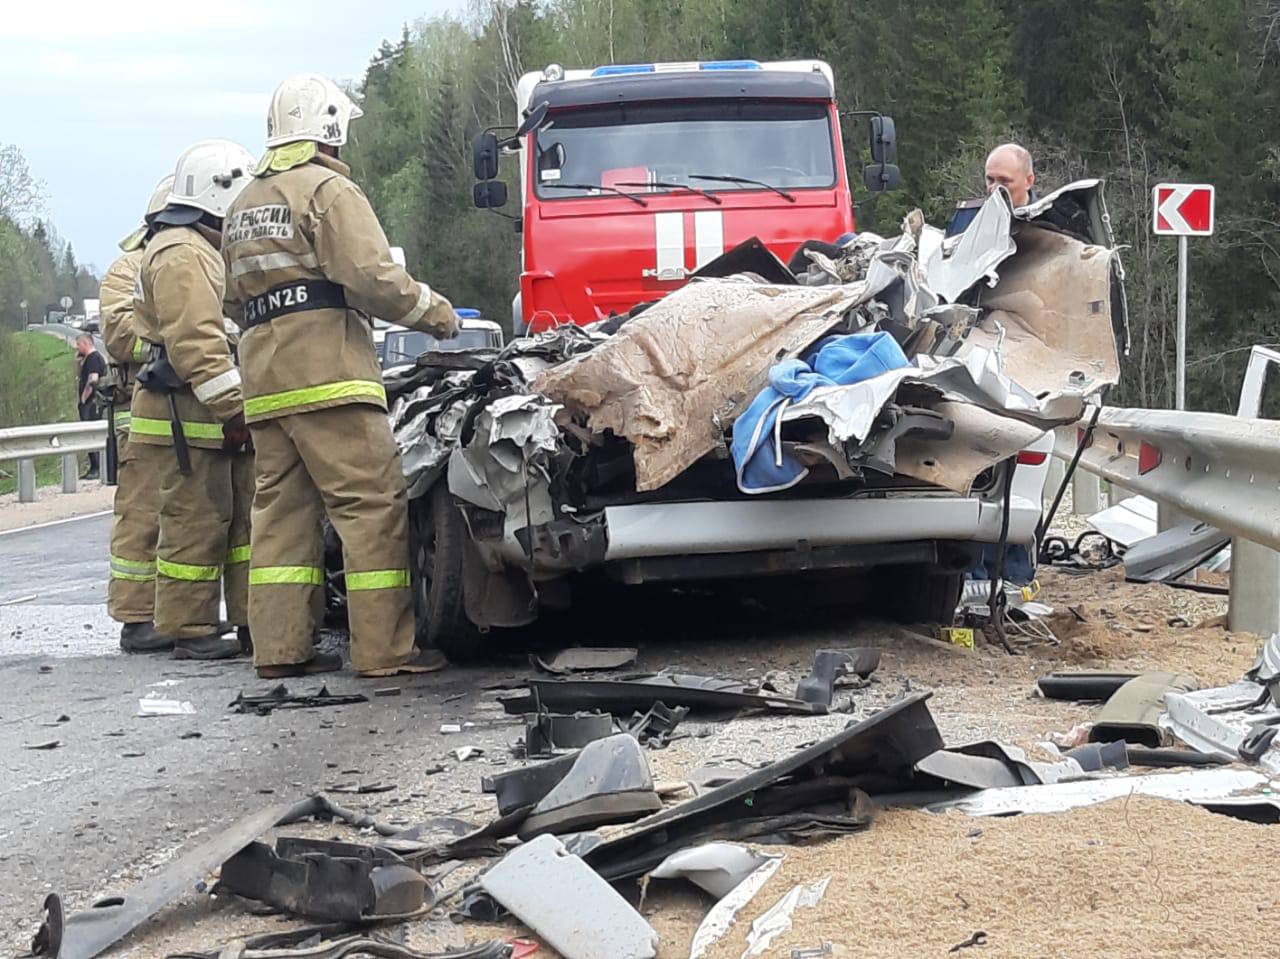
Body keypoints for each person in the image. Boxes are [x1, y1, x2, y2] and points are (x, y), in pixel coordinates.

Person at [222, 73, 459, 680]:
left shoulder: (244, 205)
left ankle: (278, 650)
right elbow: (372, 277)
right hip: (330, 378)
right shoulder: (328, 191)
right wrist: (436, 314)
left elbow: (231, 299)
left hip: (267, 385)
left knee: (279, 516)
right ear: (327, 128)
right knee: (371, 506)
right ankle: (385, 651)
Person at [129, 139, 256, 660]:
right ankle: (191, 629)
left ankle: (249, 619)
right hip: (190, 414)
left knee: (231, 520)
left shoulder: (192, 247)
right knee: (195, 521)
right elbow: (198, 346)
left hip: (196, 413)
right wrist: (238, 410)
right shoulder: (183, 254)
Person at [99, 176, 172, 652]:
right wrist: (178, 337)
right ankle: (136, 617)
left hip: (190, 410)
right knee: (142, 515)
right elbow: (122, 335)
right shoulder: (129, 269)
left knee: (193, 518)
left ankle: (184, 613)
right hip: (139, 415)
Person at [75, 335, 107, 479]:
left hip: (91, 403)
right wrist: (78, 363)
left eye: (78, 344)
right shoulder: (91, 359)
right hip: (93, 403)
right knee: (90, 435)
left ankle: (96, 468)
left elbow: (93, 379)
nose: (77, 347)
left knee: (90, 435)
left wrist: (83, 398)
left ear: (85, 343)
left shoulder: (93, 358)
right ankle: (96, 467)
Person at [984, 143, 1036, 208]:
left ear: (1028, 181)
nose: (994, 189)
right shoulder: (973, 216)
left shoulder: (1047, 217)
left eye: (1004, 181)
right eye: (990, 180)